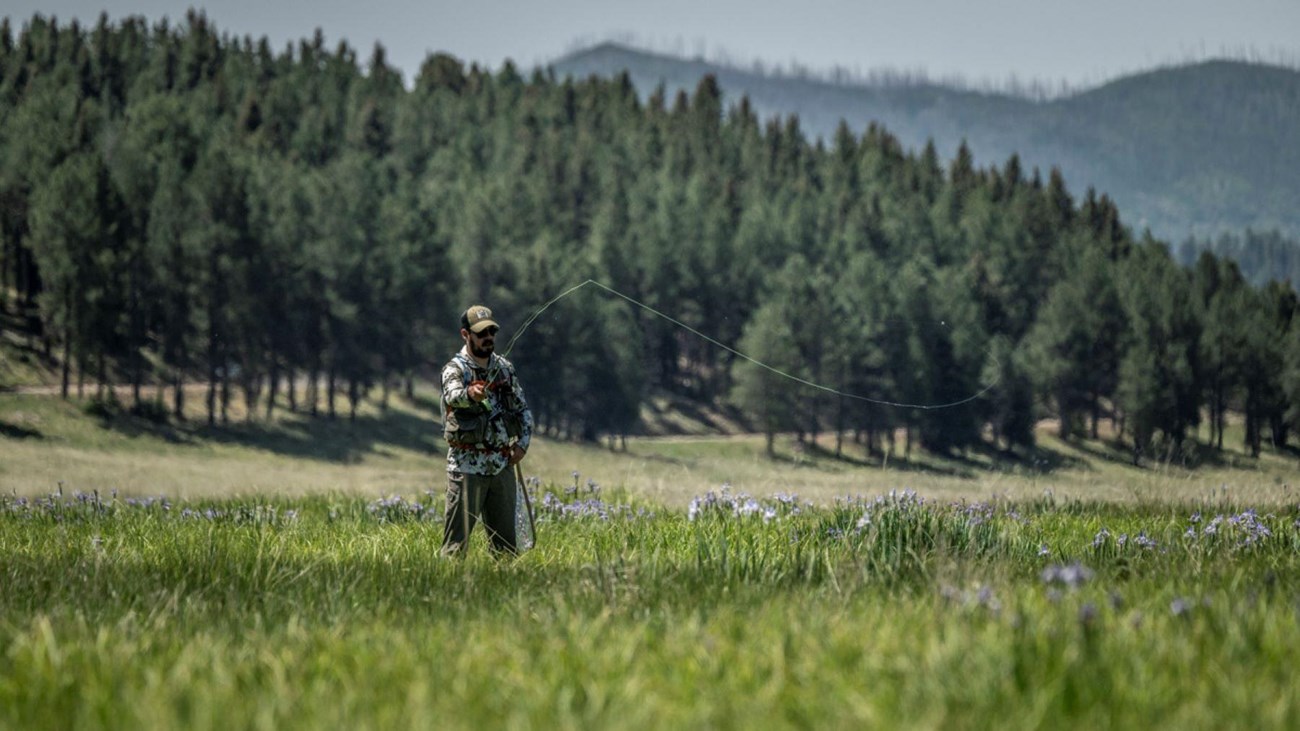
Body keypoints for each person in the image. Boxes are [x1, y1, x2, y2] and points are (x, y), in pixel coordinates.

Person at [440, 304, 534, 556]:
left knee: (506, 552)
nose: (488, 338)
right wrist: (471, 393)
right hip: (466, 469)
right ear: (465, 335)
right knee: (454, 549)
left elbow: (523, 411)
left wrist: (522, 445)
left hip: (502, 467)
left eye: (491, 331)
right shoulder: (455, 369)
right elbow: (453, 396)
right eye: (481, 333)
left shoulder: (505, 368)